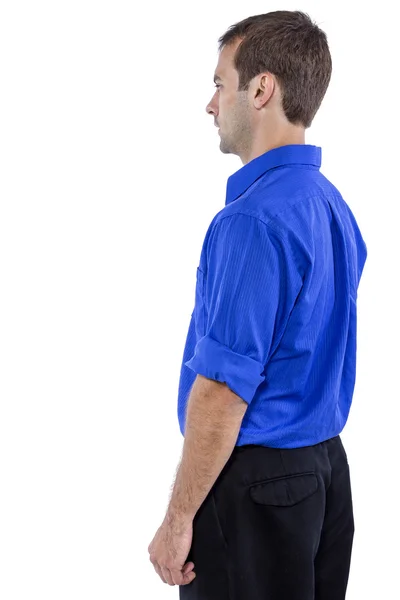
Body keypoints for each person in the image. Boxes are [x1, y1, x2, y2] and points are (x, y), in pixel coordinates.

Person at [147, 10, 367, 600]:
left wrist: (177, 521)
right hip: (323, 477)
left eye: (220, 83)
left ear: (261, 88)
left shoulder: (250, 219)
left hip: (255, 489)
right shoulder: (331, 207)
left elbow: (222, 390)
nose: (211, 103)